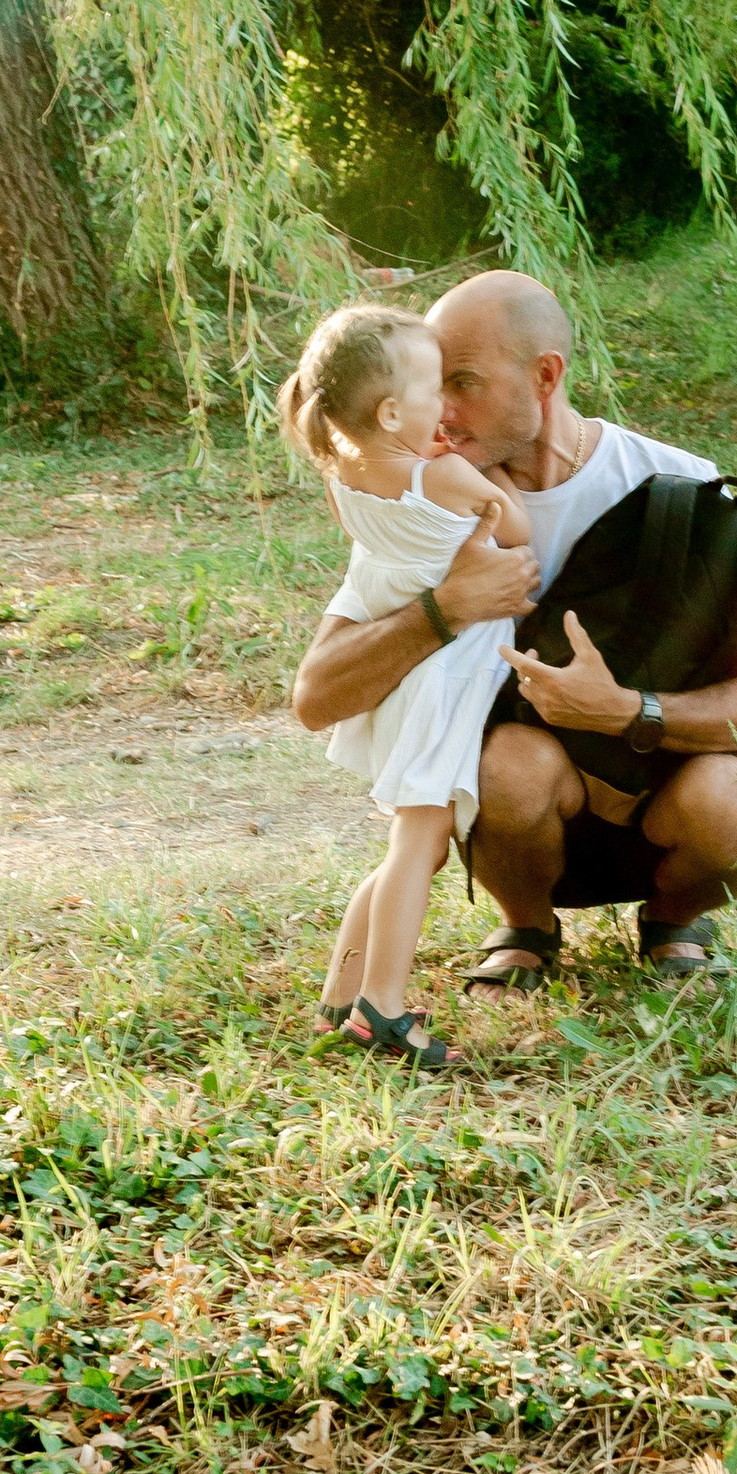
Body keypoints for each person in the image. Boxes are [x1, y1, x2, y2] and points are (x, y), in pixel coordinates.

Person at [289, 268, 737, 996]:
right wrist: (445, 608)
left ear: (545, 375)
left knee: (733, 801)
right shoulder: (431, 505)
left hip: (665, 796)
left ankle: (674, 922)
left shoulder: (678, 488)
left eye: (460, 381)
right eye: (430, 383)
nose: (440, 411)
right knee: (506, 764)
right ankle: (525, 926)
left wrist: (623, 709)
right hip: (521, 813)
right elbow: (316, 697)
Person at [278, 301, 530, 1070]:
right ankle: (382, 1009)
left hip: (406, 682)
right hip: (448, 681)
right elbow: (516, 535)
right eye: (432, 390)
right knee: (417, 847)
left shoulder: (341, 476)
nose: (447, 408)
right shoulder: (449, 475)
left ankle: (339, 994)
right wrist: (487, 486)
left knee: (411, 854)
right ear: (392, 411)